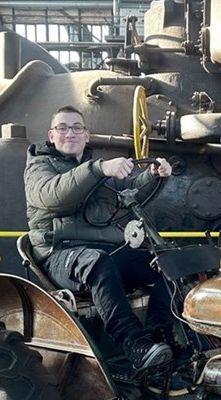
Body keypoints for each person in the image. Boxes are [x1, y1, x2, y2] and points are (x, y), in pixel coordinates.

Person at [24, 105, 173, 370]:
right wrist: (98, 169)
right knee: (98, 262)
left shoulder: (95, 170)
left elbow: (129, 190)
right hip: (60, 255)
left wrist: (152, 175)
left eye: (77, 128)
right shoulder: (39, 167)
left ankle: (159, 336)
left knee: (168, 263)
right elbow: (53, 195)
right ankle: (133, 342)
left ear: (87, 135)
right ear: (51, 135)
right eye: (62, 128)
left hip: (103, 252)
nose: (70, 133)